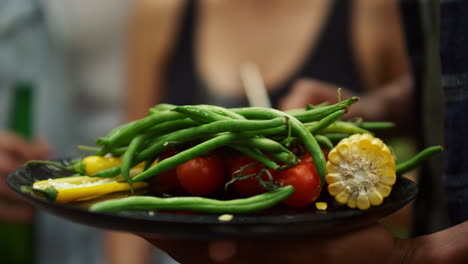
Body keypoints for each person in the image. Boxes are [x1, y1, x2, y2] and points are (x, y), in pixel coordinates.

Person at [134, 0, 468, 263]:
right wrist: (375, 109)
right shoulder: (161, 12)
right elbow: (448, 80)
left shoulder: (372, 9)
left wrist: (415, 256)